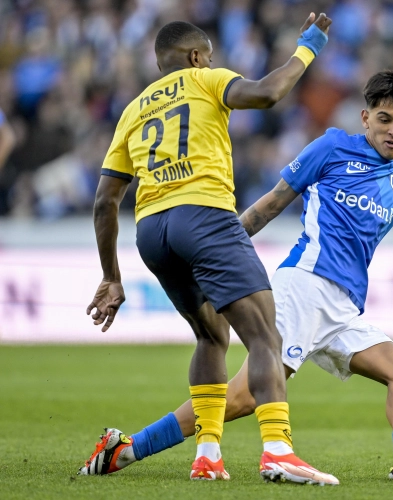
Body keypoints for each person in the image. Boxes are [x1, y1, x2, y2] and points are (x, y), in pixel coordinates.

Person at [82, 70, 393, 482]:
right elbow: (270, 205)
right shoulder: (332, 148)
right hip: (304, 286)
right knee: (242, 397)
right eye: (384, 119)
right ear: (365, 118)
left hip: (344, 305)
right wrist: (217, 254)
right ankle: (128, 448)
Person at [78, 16, 340, 486]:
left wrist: (111, 276)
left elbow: (104, 202)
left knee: (211, 336)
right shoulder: (205, 80)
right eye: (211, 57)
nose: (214, 64)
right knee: (264, 337)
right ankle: (278, 450)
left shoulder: (134, 109)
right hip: (203, 215)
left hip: (152, 231)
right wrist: (307, 50)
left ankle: (207, 454)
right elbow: (265, 93)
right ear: (197, 57)